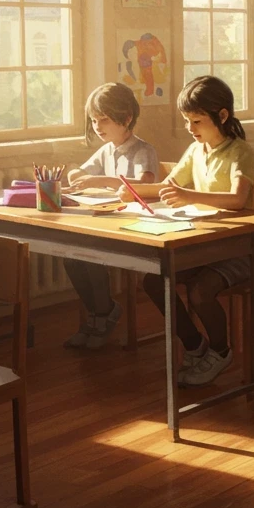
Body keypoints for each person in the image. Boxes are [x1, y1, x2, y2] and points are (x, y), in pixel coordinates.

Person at [129, 75, 254, 386]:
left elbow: (238, 200)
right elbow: (168, 187)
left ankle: (220, 351)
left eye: (196, 121)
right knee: (154, 280)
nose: (190, 128)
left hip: (236, 250)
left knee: (200, 292)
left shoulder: (239, 151)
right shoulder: (196, 150)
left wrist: (190, 196)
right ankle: (194, 344)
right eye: (187, 120)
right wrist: (134, 192)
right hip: (202, 247)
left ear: (222, 116)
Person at [63, 82, 159, 349]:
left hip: (139, 225)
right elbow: (77, 172)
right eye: (94, 120)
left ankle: (103, 314)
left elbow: (144, 183)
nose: (97, 126)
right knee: (72, 259)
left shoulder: (143, 150)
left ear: (126, 118)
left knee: (90, 256)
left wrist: (100, 180)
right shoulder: (106, 150)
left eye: (103, 119)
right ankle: (100, 313)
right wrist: (80, 177)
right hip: (109, 222)